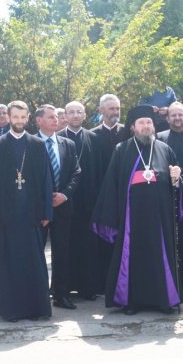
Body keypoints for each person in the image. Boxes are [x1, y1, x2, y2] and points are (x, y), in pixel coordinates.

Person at [92, 106, 183, 315]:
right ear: (133, 127)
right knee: (132, 259)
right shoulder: (122, 149)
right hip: (132, 219)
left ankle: (165, 300)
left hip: (160, 218)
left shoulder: (164, 148)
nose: (146, 126)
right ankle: (131, 301)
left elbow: (176, 181)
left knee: (161, 257)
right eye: (142, 123)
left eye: (149, 123)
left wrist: (176, 178)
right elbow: (112, 185)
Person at [0, 101, 53, 323]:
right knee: (8, 262)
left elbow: (46, 181)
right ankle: (10, 309)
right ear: (8, 117)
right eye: (16, 117)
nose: (20, 121)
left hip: (31, 212)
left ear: (29, 117)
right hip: (6, 214)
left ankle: (35, 308)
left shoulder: (38, 144)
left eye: (23, 117)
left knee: (32, 260)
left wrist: (46, 212)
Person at [34, 104, 82, 311]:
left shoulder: (67, 144)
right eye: (52, 117)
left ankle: (61, 294)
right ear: (39, 121)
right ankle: (38, 295)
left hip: (63, 206)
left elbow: (77, 172)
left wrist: (64, 194)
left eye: (57, 117)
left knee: (62, 252)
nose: (57, 120)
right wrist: (44, 199)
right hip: (37, 209)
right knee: (36, 253)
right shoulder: (30, 143)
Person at [60, 101, 103, 301]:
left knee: (88, 246)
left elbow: (101, 170)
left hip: (89, 201)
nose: (75, 115)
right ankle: (64, 288)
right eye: (71, 112)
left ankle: (88, 288)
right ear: (65, 116)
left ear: (85, 115)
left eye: (79, 112)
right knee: (65, 245)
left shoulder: (94, 138)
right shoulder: (59, 138)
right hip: (65, 201)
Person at [157, 101, 183, 302]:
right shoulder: (159, 139)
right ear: (167, 119)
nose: (177, 118)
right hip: (166, 200)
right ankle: (171, 285)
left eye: (180, 115)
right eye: (173, 115)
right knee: (168, 244)